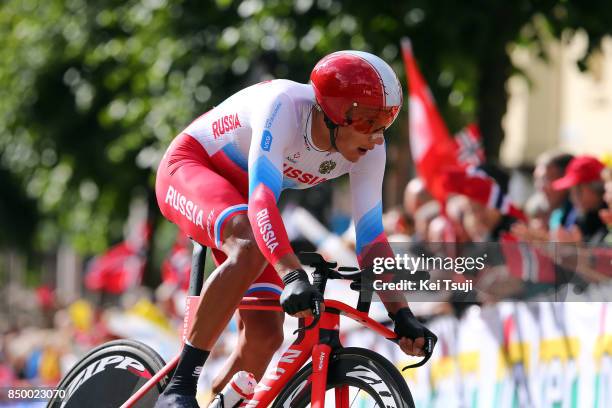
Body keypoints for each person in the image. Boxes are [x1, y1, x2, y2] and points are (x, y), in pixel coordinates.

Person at [154, 51, 436, 407]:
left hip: (245, 201)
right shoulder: (285, 106)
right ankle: (180, 386)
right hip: (192, 167)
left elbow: (372, 240)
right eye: (369, 122)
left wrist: (402, 313)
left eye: (386, 124)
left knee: (265, 338)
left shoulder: (369, 148)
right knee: (250, 244)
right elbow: (261, 201)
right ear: (336, 112)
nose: (378, 138)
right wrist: (291, 275)